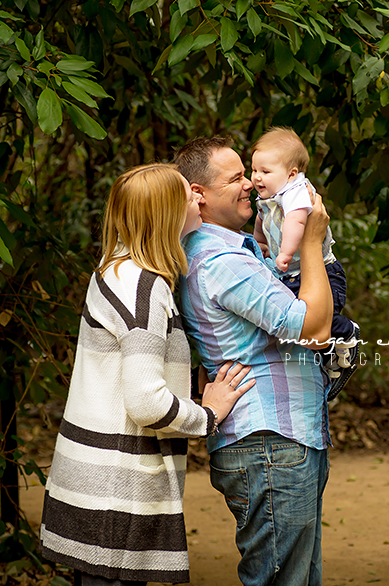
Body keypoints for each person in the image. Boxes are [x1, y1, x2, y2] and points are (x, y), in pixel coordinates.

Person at [39, 163, 255, 586]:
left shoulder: (117, 268)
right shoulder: (142, 288)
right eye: (188, 195)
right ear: (167, 214)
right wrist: (208, 414)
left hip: (95, 481)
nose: (198, 198)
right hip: (114, 491)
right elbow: (146, 402)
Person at [174, 136, 334, 586]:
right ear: (199, 194)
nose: (250, 184)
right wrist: (311, 242)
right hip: (268, 444)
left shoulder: (238, 249)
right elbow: (313, 329)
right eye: (236, 178)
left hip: (281, 440)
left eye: (248, 174)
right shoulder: (220, 260)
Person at [250, 126, 360, 381]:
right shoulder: (269, 196)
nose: (256, 177)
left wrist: (285, 253)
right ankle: (326, 362)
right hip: (294, 274)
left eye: (265, 171)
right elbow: (261, 218)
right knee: (299, 324)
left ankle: (346, 333)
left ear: (291, 174)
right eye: (254, 170)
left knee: (320, 321)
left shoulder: (296, 192)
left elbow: (296, 222)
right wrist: (260, 241)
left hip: (323, 271)